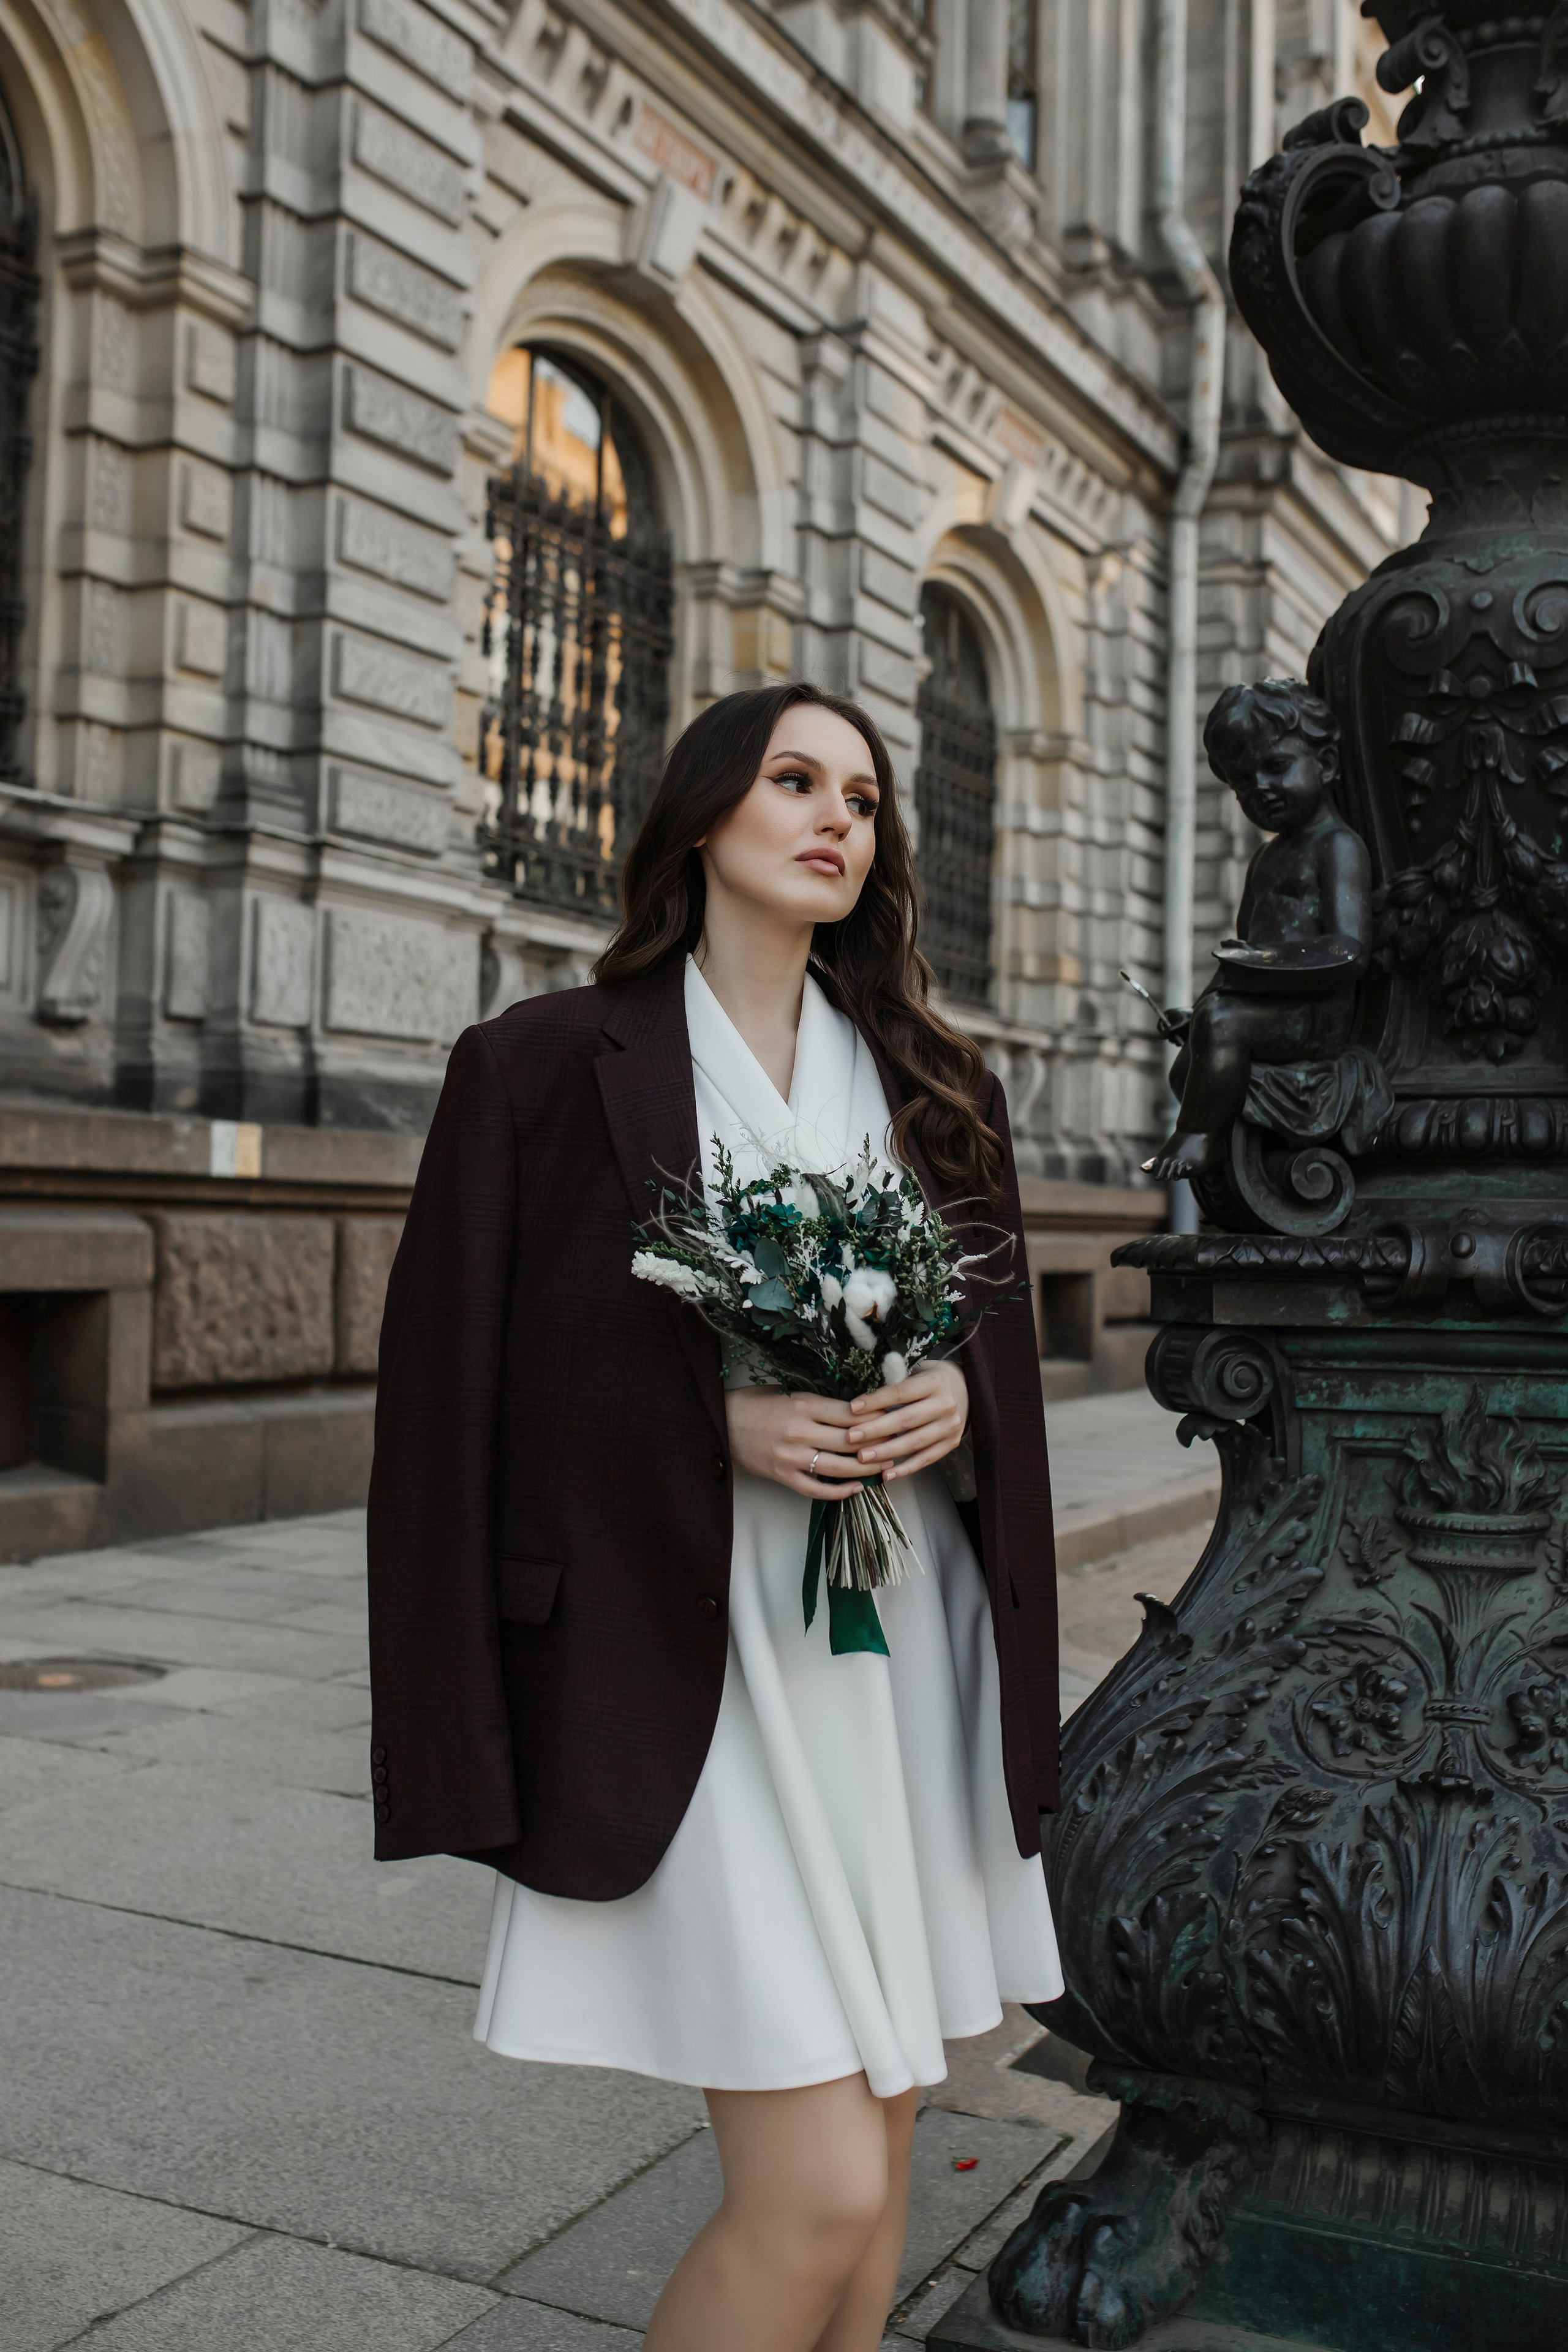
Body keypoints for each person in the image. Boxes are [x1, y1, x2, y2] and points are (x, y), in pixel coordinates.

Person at [366, 682, 1063, 2352]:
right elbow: (458, 1402)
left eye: (867, 799)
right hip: (685, 1658)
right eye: (794, 782)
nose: (839, 818)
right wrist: (719, 1424)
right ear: (700, 818)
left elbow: (1002, 1341)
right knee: (815, 2187)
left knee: (887, 2146)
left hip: (898, 1654)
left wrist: (962, 1398)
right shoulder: (538, 1068)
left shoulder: (931, 1078)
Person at [1142, 677, 1373, 1185]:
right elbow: (1242, 952)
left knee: (1223, 1026)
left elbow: (1348, 950)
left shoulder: (1337, 846)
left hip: (1316, 1016)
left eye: (1275, 768)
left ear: (1327, 766)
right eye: (1243, 782)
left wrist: (1259, 970)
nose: (1260, 789)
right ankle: (1229, 1153)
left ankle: (1198, 1138)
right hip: (1272, 1008)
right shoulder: (1266, 858)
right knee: (1189, 1065)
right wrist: (1196, 1011)